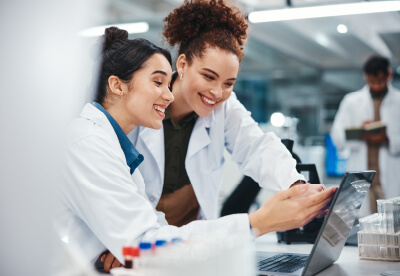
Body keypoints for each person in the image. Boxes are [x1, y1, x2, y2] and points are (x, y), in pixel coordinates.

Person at [58, 26, 336, 272]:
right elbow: (141, 243)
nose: (218, 92)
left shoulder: (112, 142)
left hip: (171, 249)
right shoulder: (92, 143)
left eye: (229, 84)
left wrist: (298, 186)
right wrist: (258, 222)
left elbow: (258, 147)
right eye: (158, 82)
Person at [331, 55, 400, 213]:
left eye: (380, 81)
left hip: (391, 175)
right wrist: (360, 133)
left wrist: (388, 139)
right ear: (365, 77)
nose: (375, 86)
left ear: (388, 75)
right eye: (371, 82)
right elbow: (337, 136)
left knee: (392, 227)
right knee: (362, 226)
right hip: (361, 174)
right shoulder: (351, 101)